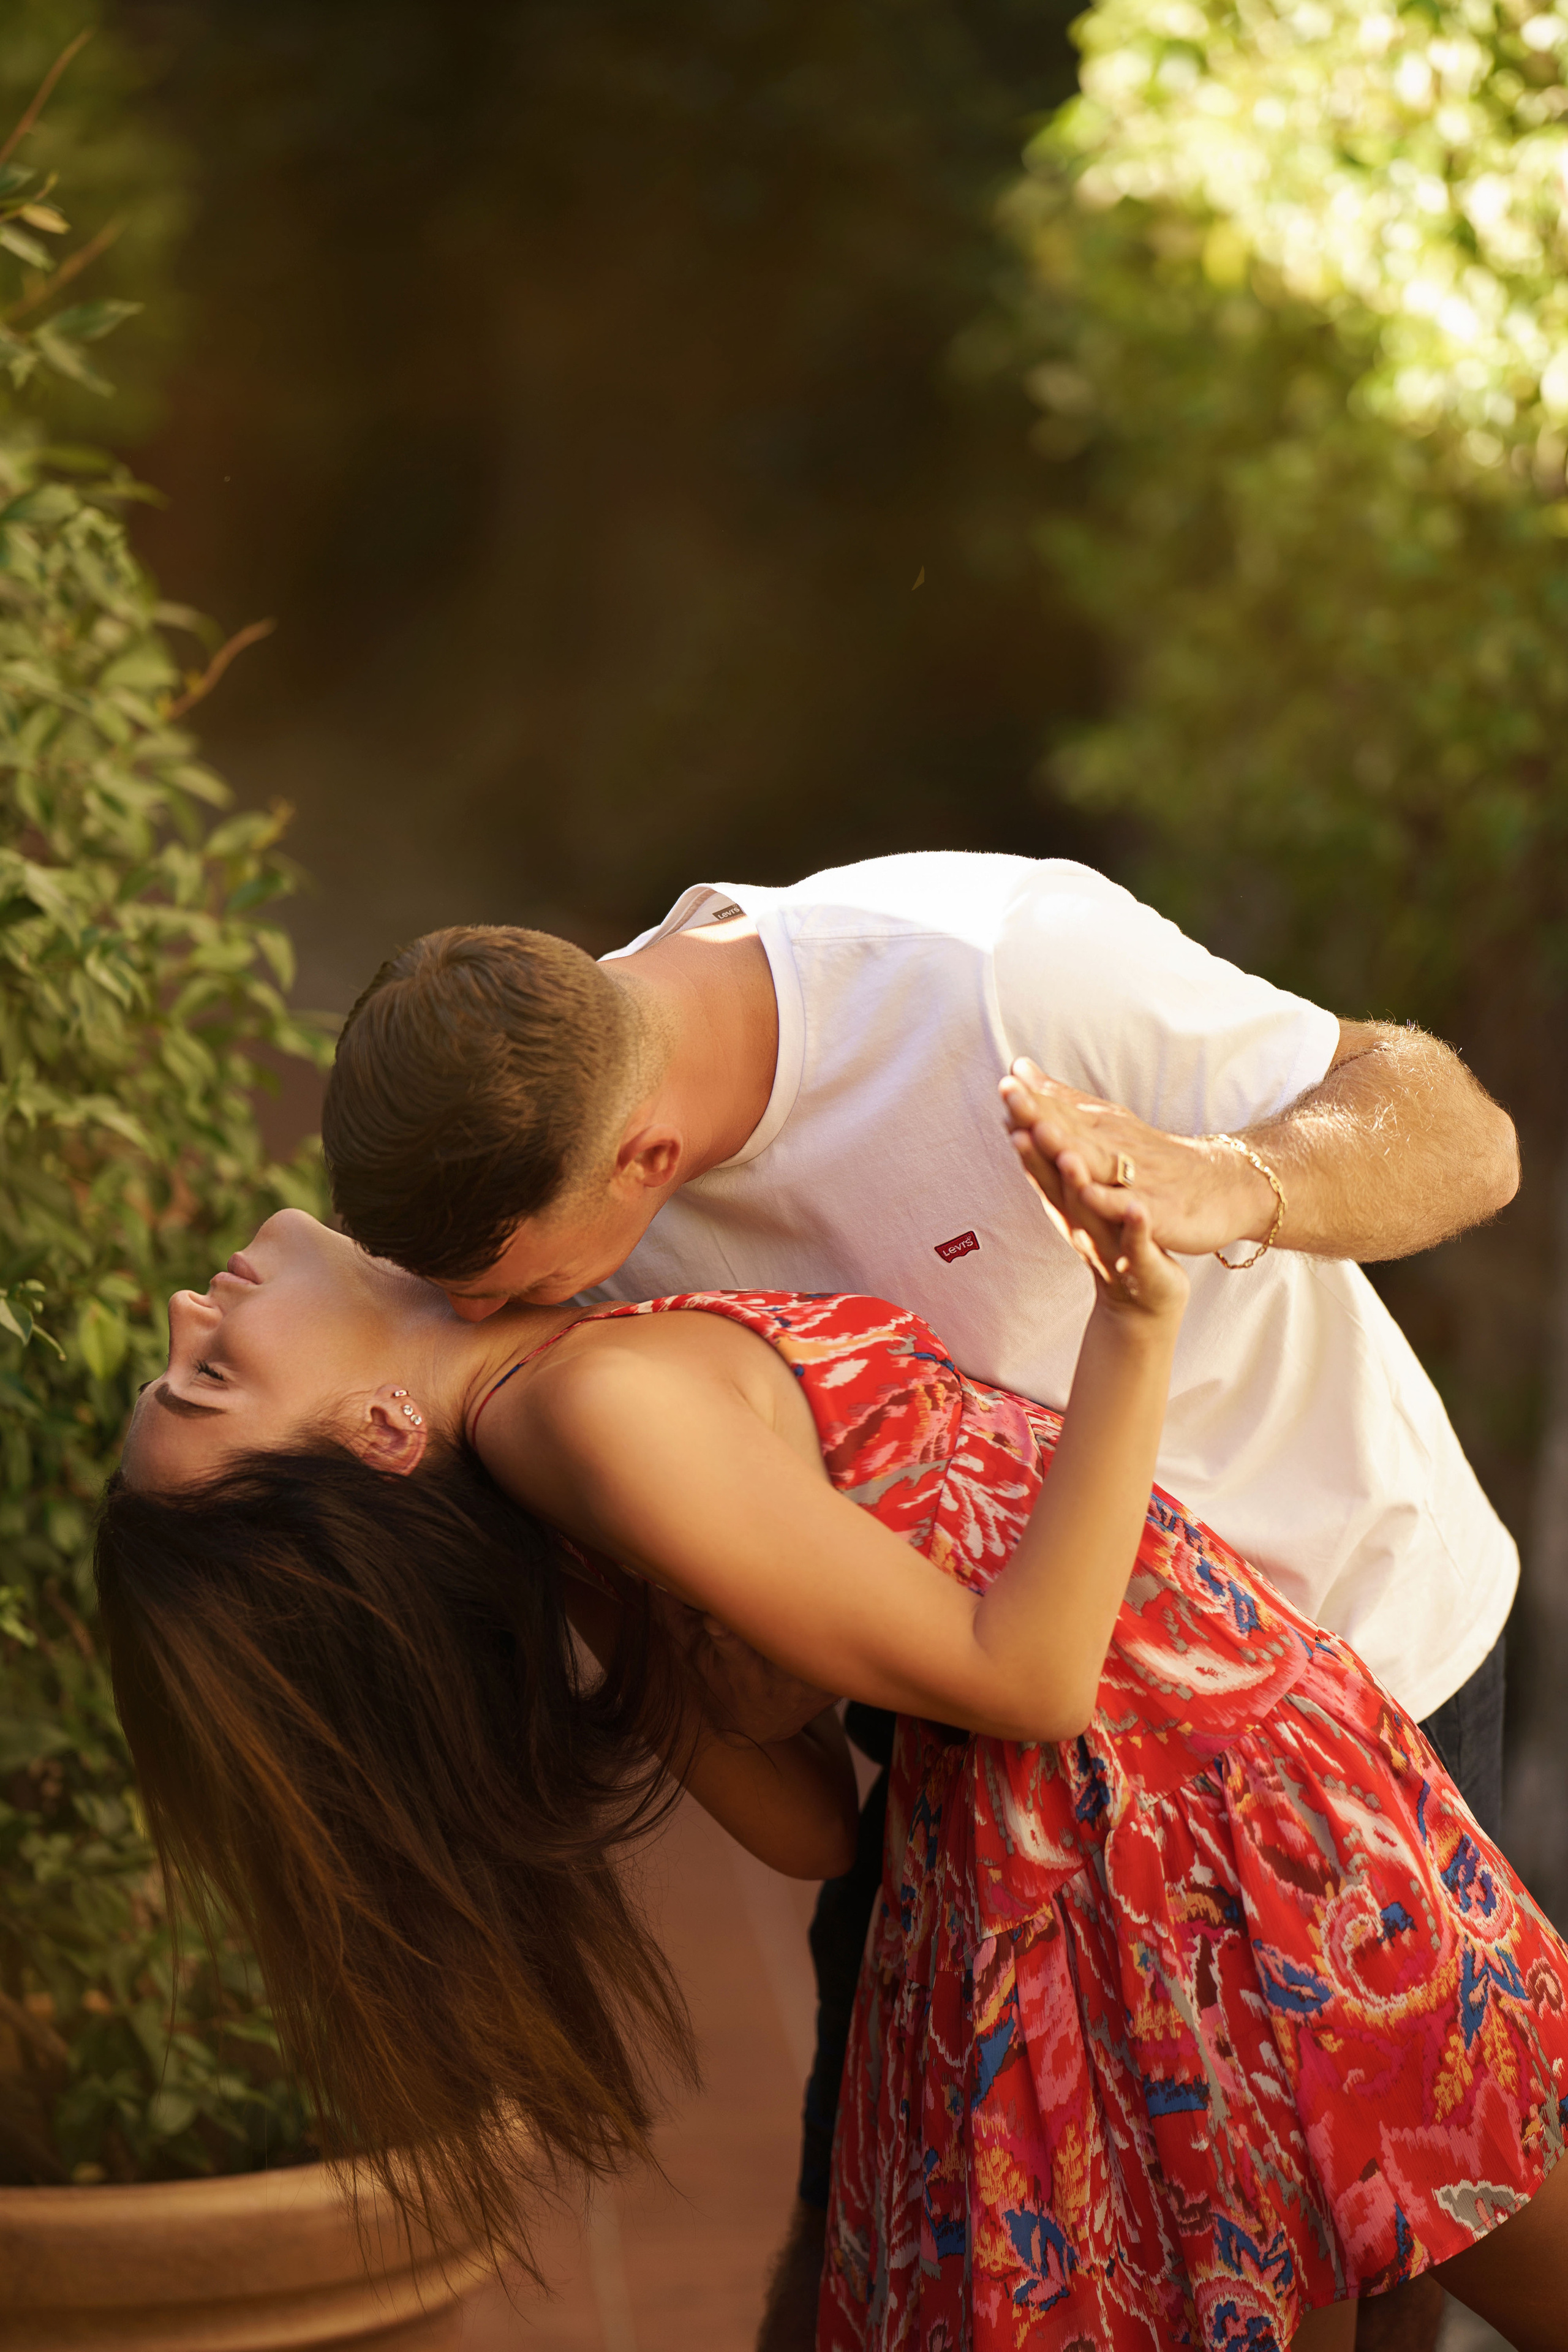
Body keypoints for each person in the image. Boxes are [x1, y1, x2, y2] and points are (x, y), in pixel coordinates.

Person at [319, 852, 1520, 2352]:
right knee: (859, 2241)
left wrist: (1233, 1180)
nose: (478, 1322)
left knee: (1389, 2249)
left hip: (1346, 1664)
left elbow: (1459, 1133)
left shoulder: (993, 969)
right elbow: (787, 1736)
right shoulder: (549, 1189)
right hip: (983, 1779)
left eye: (493, 1286)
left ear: (642, 1157)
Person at [98, 1164, 1566, 2350]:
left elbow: (806, 1825)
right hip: (1170, 1812)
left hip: (1128, 1834)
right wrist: (1133, 1314)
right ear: (375, 1431)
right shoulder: (585, 1411)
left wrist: (734, 1692)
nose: (184, 1313)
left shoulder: (551, 1408)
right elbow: (1033, 1677)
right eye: (211, 1381)